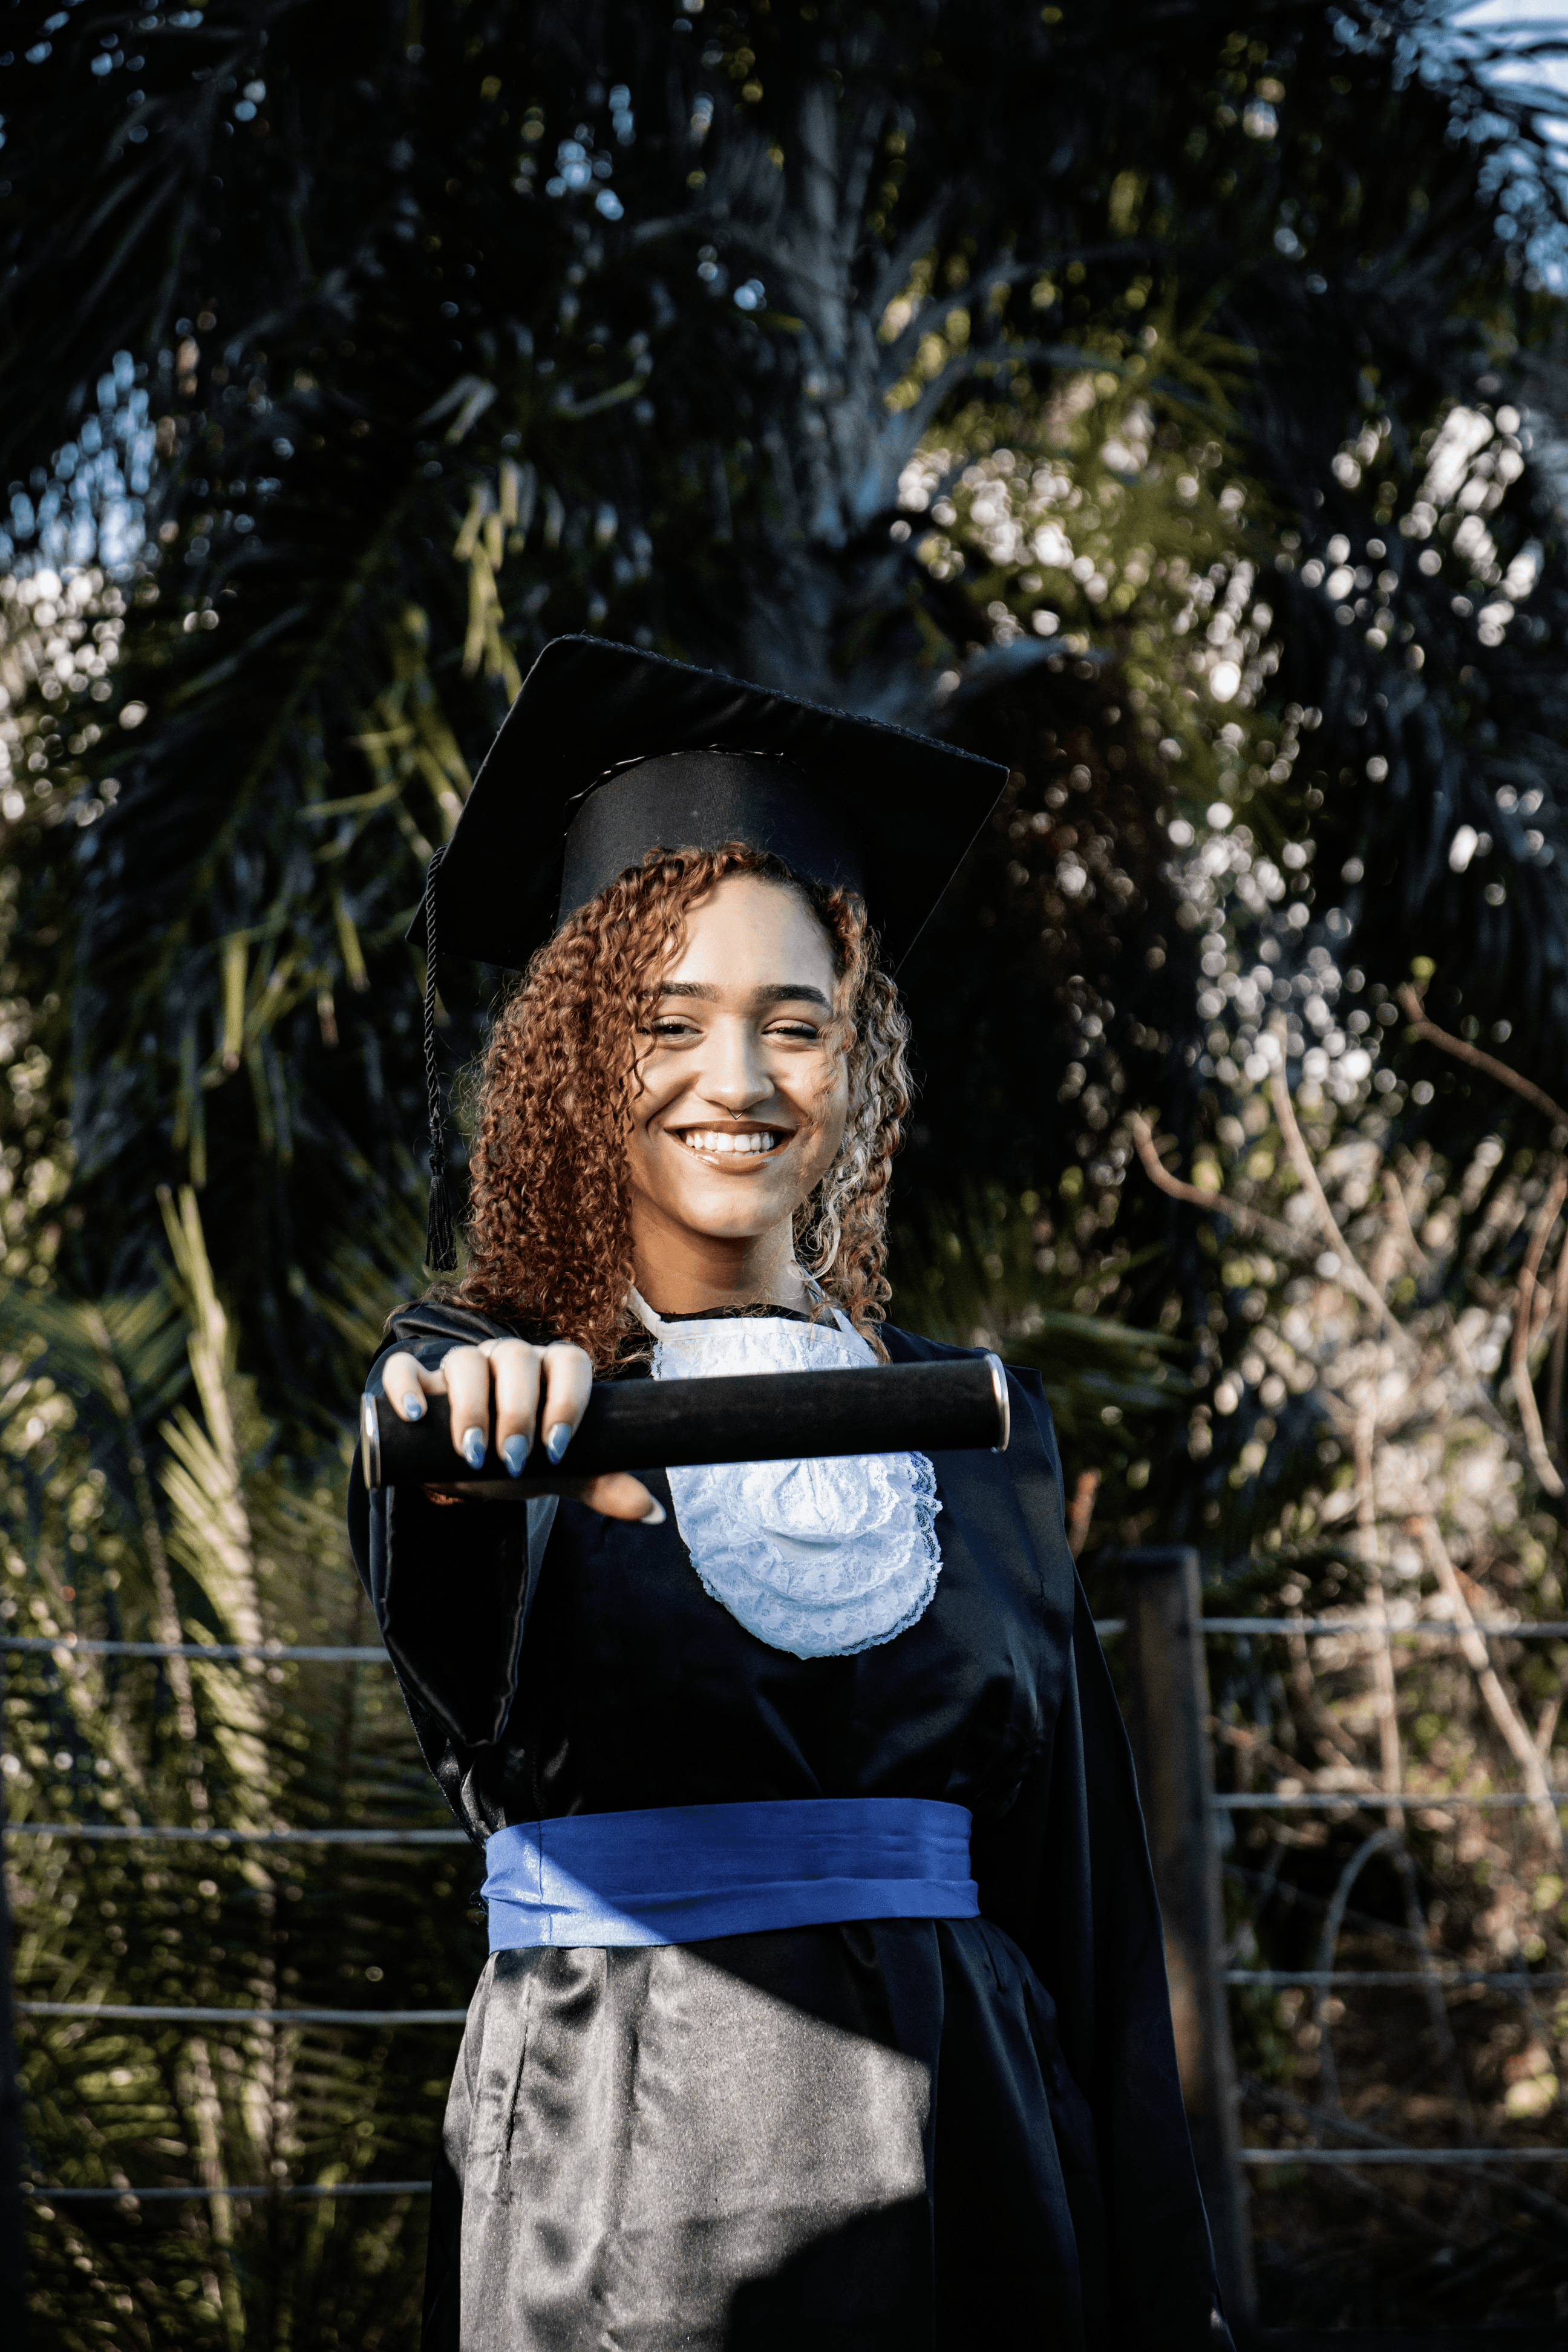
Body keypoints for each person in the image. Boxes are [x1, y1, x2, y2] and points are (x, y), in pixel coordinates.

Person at [348, 636, 1232, 2352]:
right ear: (577, 1065)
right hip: (635, 2174)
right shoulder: (488, 1393)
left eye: (794, 1025)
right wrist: (482, 1429)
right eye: (667, 1023)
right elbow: (430, 1547)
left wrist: (1156, 2286)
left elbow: (1092, 1913)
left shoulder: (979, 1426)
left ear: (859, 1064)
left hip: (988, 2167)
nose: (737, 1083)